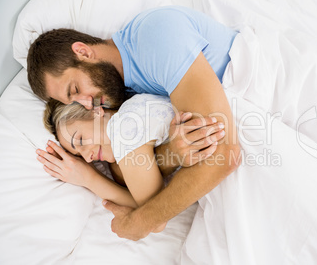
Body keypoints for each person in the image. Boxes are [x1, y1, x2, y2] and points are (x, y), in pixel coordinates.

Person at [28, 5, 241, 240]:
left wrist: (138, 222)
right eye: (75, 101)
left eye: (76, 89)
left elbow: (224, 153)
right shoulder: (120, 93)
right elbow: (123, 170)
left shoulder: (154, 36)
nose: (87, 104)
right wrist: (171, 153)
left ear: (84, 52)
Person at [37, 96, 226, 234]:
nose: (88, 158)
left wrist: (89, 178)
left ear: (96, 110)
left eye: (80, 140)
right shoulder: (133, 112)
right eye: (80, 155)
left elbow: (156, 218)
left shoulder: (124, 129)